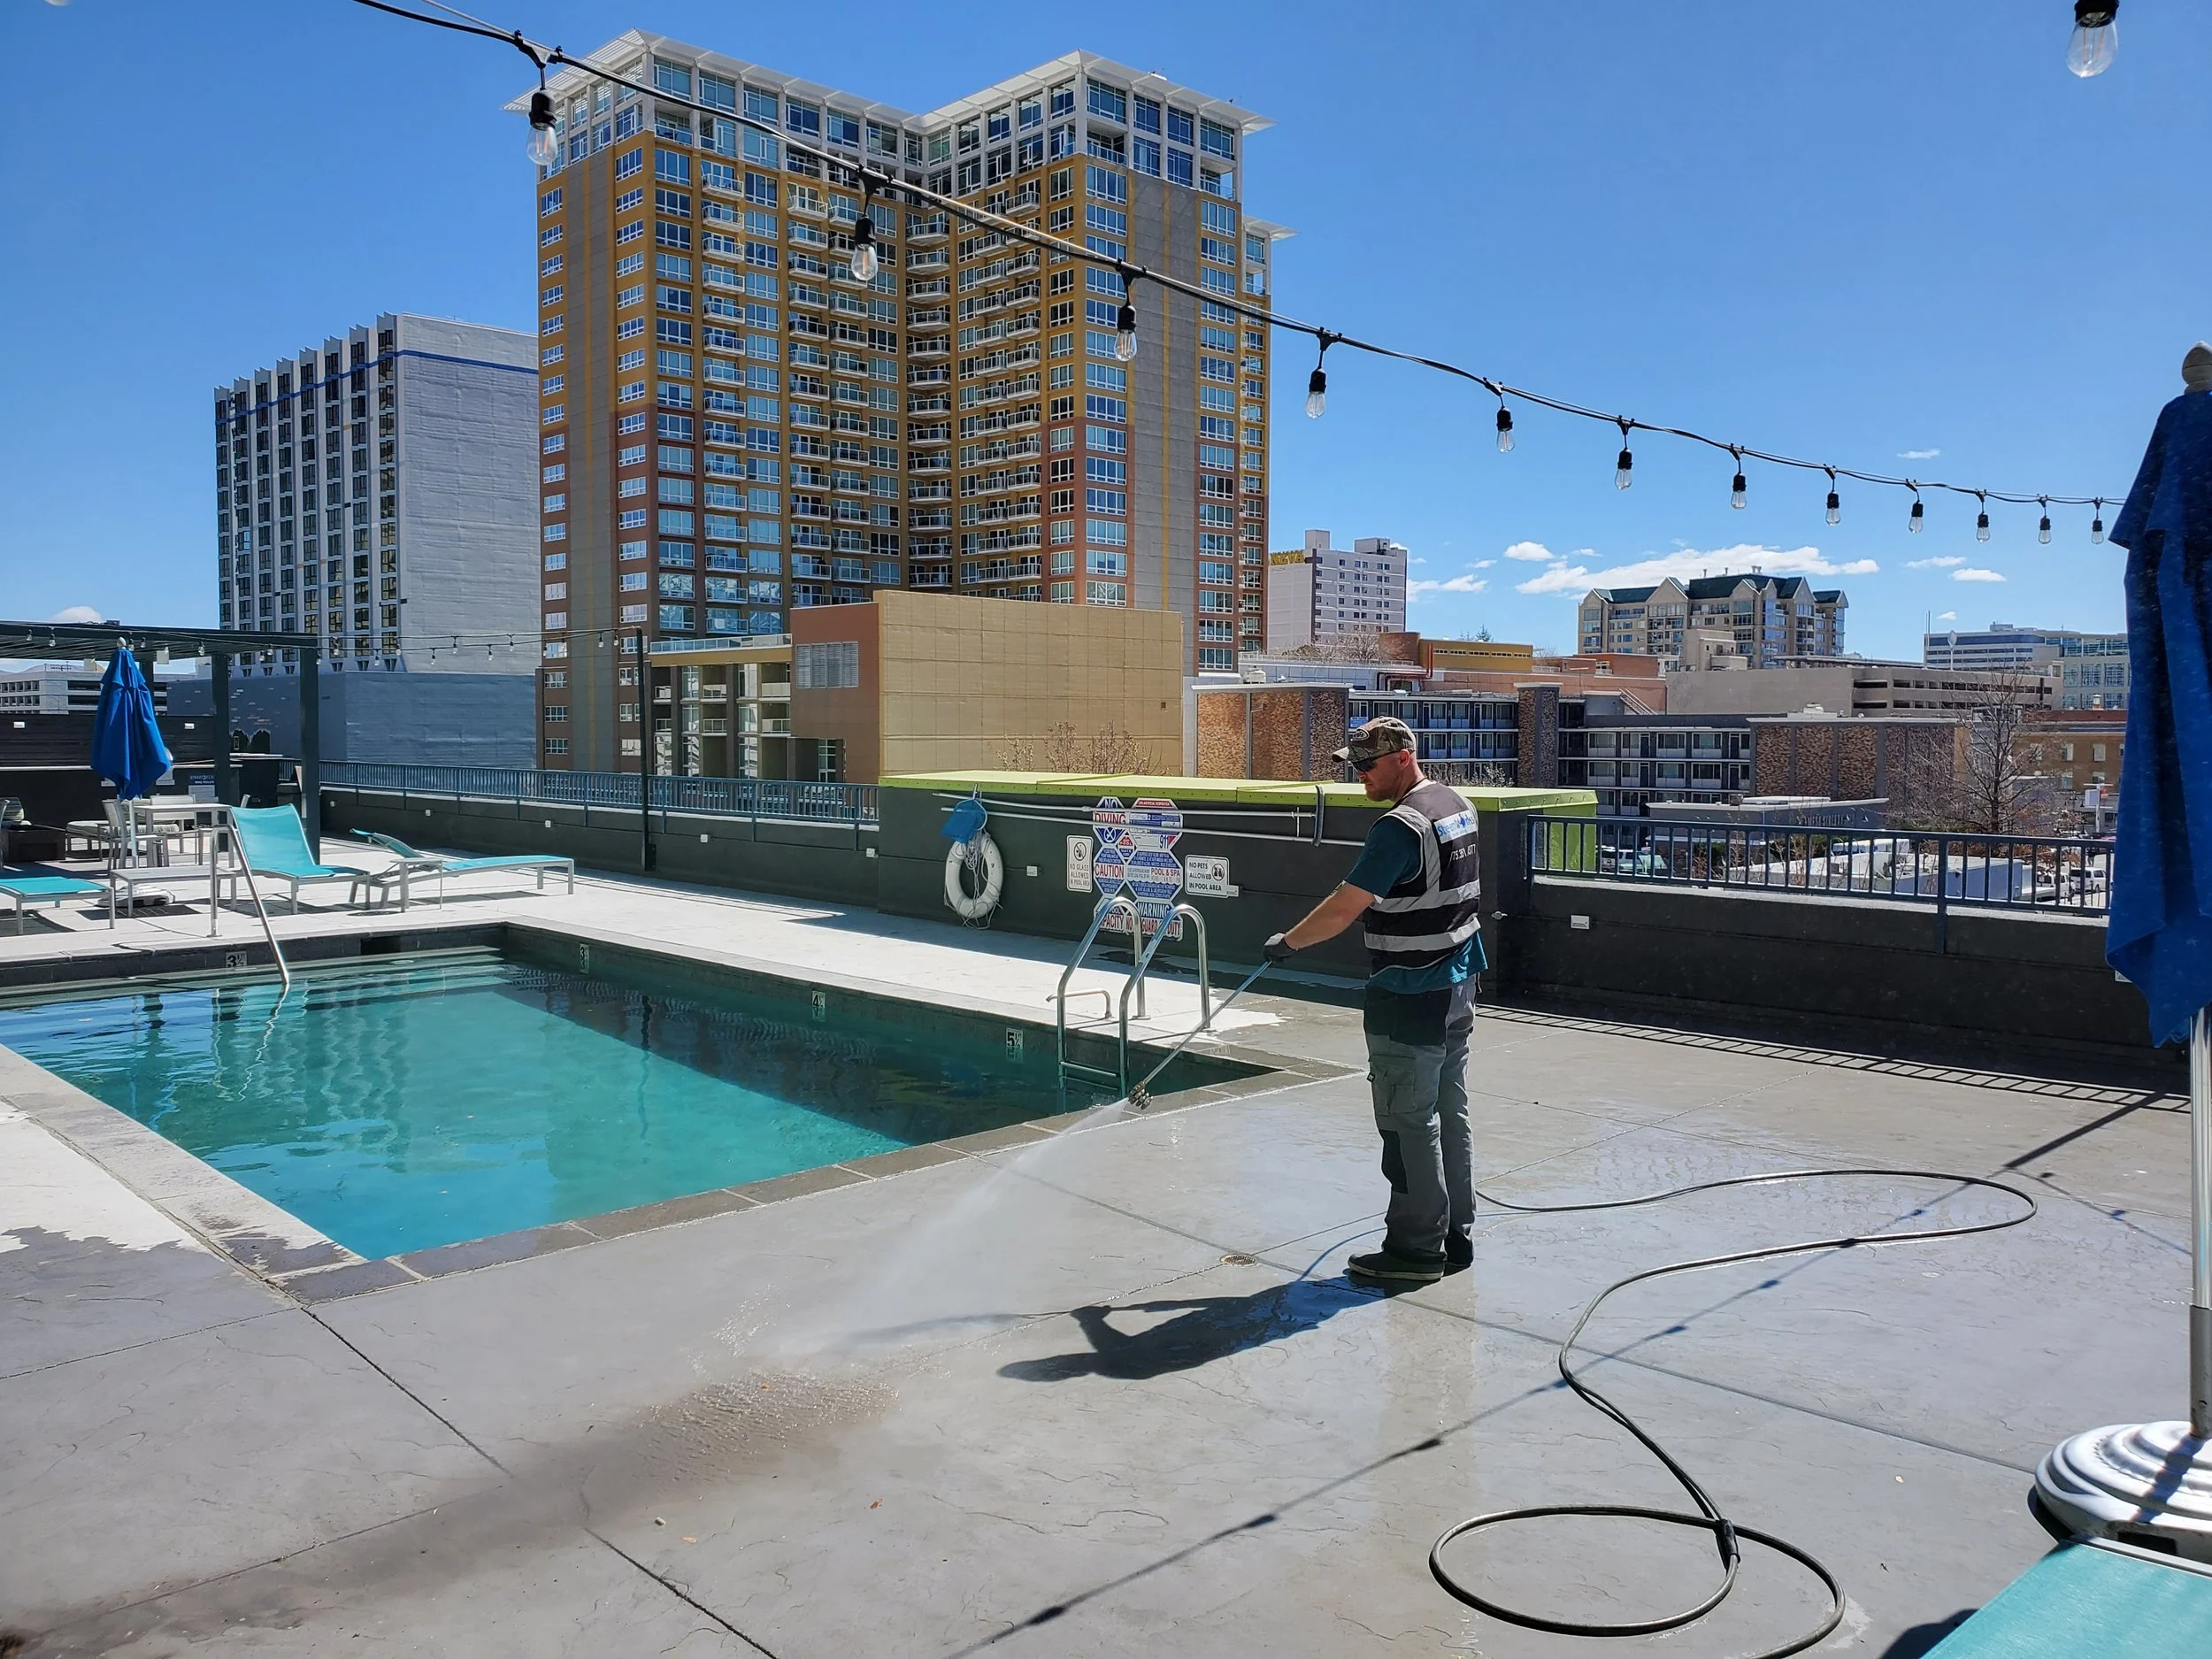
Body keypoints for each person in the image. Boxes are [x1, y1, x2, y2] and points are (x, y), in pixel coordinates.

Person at [1263, 718, 1483, 1286]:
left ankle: (1415, 1250)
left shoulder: (1400, 826)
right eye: (1354, 765)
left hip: (1411, 992)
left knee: (1406, 1123)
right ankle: (1456, 1234)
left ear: (1404, 757)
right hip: (1459, 983)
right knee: (1447, 1111)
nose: (1359, 775)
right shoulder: (1456, 802)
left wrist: (1288, 942)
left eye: (1368, 765)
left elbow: (1344, 906)